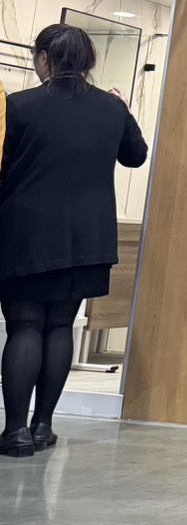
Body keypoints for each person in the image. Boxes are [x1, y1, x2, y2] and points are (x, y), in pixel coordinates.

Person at [0, 25, 149, 458]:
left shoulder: (19, 106)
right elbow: (135, 156)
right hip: (87, 238)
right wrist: (125, 110)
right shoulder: (111, 108)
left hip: (27, 233)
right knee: (60, 326)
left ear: (45, 58)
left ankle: (15, 432)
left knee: (25, 325)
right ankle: (43, 426)